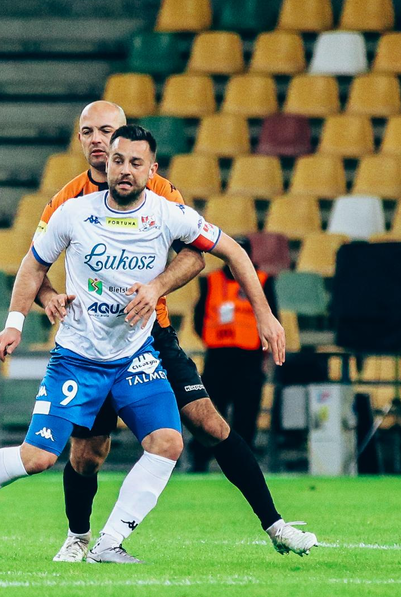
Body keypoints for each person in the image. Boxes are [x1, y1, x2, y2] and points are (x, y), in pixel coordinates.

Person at [0, 125, 286, 563]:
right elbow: (32, 266)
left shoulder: (169, 214)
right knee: (38, 458)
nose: (125, 170)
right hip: (78, 359)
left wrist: (264, 315)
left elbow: (232, 251)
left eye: (136, 163)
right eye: (118, 160)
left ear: (152, 170)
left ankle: (109, 543)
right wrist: (14, 324)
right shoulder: (73, 212)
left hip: (135, 356)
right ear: (108, 163)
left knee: (168, 442)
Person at [37, 101, 317, 561]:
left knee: (210, 423)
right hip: (92, 343)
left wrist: (159, 287)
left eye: (107, 130)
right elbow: (32, 268)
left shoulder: (160, 191)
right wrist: (48, 296)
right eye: (87, 132)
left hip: (152, 335)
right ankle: (78, 538)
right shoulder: (66, 202)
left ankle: (276, 525)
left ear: (126, 138)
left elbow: (195, 253)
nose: (97, 140)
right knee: (88, 454)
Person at [189, 238, 271, 472]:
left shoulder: (263, 280)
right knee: (209, 411)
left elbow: (270, 317)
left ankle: (244, 464)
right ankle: (200, 460)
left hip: (250, 359)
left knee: (247, 414)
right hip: (218, 357)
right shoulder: (211, 281)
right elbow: (199, 317)